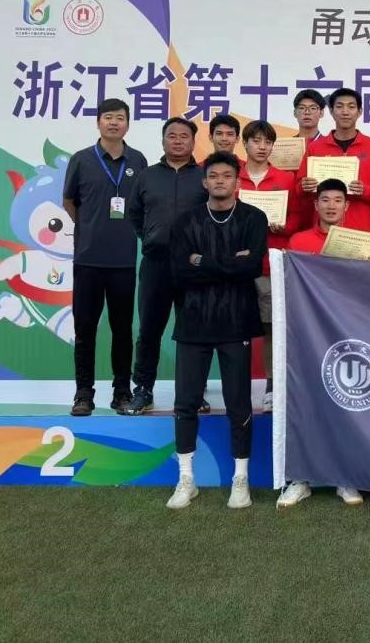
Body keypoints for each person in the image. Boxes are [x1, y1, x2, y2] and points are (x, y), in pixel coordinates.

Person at [164, 151, 268, 510]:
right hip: (193, 321)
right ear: (204, 182)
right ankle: (186, 479)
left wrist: (202, 261)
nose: (220, 181)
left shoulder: (253, 218)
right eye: (214, 176)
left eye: (227, 175)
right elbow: (180, 271)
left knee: (238, 402)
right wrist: (228, 263)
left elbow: (250, 268)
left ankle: (241, 478)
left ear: (237, 182)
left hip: (236, 321)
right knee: (186, 402)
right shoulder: (186, 221)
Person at [279, 178, 365, 509]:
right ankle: (300, 479)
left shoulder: (361, 242)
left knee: (347, 405)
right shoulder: (298, 241)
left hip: (347, 336)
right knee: (304, 403)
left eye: (337, 200)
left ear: (347, 206)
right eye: (325, 200)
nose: (331, 206)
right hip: (307, 337)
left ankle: (346, 477)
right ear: (315, 206)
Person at [62, 98, 149, 416]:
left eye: (120, 118)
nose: (114, 122)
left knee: (123, 331)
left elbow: (143, 205)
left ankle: (122, 392)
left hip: (123, 261)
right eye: (108, 117)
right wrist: (90, 227)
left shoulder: (138, 160)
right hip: (87, 260)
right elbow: (69, 202)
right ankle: (83, 394)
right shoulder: (81, 159)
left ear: (128, 124)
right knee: (85, 330)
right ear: (98, 122)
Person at [125, 116, 208, 416]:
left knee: (193, 332)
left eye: (184, 136)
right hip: (156, 264)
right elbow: (135, 215)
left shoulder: (204, 177)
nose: (178, 140)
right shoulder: (146, 176)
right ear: (163, 141)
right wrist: (151, 238)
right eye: (172, 135)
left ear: (193, 142)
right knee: (149, 330)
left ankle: (192, 392)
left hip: (193, 267)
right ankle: (143, 390)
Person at [240, 119, 302, 410]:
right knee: (235, 330)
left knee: (270, 329)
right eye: (256, 141)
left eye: (267, 142)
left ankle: (271, 385)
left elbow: (298, 217)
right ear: (245, 144)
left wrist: (283, 226)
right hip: (236, 266)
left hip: (269, 263)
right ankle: (236, 385)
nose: (262, 147)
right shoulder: (233, 176)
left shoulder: (286, 179)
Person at [296, 87, 370, 233]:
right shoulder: (316, 147)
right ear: (331, 111)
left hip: (361, 229)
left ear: (359, 112)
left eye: (351, 107)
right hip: (324, 230)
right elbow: (298, 188)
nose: (345, 112)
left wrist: (364, 190)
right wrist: (304, 186)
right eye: (339, 106)